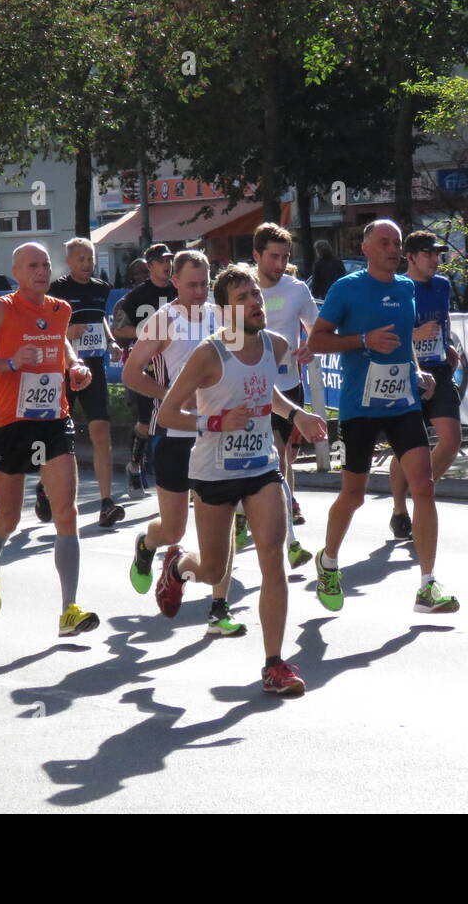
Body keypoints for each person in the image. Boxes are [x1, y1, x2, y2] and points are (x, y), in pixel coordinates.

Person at [153, 264, 328, 693]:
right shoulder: (209, 354)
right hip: (212, 471)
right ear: (223, 310)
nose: (255, 302)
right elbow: (169, 413)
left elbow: (265, 389)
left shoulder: (276, 343)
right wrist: (215, 422)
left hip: (261, 467)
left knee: (272, 555)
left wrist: (297, 413)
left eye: (256, 294)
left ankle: (274, 663)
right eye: (243, 298)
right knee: (213, 568)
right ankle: (177, 567)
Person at [307, 219, 460, 614]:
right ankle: (328, 560)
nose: (393, 248)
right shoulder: (347, 288)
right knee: (353, 495)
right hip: (360, 407)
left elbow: (404, 340)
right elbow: (317, 340)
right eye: (385, 242)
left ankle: (427, 584)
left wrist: (416, 371)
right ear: (367, 248)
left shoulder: (407, 287)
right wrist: (362, 340)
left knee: (424, 486)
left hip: (403, 403)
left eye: (396, 242)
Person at [0, 242, 100, 638]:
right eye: (32, 265)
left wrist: (76, 365)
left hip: (54, 418)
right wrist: (9, 363)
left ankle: (69, 609)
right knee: (10, 518)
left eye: (46, 264)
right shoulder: (2, 308)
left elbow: (62, 342)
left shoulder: (60, 309)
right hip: (11, 422)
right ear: (17, 272)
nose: (41, 271)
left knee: (66, 512)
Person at [124, 250, 248, 635]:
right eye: (191, 284)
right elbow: (131, 374)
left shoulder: (223, 316)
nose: (199, 291)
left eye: (204, 283)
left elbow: (243, 363)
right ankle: (147, 544)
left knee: (222, 517)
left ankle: (218, 607)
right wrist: (171, 395)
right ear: (174, 282)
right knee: (174, 531)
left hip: (217, 434)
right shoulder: (164, 321)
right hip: (175, 434)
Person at [240, 222, 318, 566]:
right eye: (273, 256)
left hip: (288, 384)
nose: (280, 263)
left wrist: (310, 348)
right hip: (249, 387)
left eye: (285, 257)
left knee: (283, 456)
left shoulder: (297, 289)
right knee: (275, 453)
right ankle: (287, 534)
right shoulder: (241, 290)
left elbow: (316, 330)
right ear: (256, 255)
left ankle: (256, 507)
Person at [388, 231, 463, 541]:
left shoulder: (442, 285)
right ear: (411, 257)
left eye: (437, 254)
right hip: (408, 374)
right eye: (428, 254)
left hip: (440, 370)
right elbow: (389, 335)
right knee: (408, 448)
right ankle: (399, 508)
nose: (435, 259)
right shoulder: (398, 290)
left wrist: (446, 348)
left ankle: (422, 488)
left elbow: (442, 321)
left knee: (452, 440)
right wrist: (414, 337)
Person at [46, 238, 124, 528]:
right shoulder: (58, 290)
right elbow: (45, 325)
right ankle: (45, 488)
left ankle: (106, 502)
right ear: (69, 261)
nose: (87, 264)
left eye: (90, 258)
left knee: (101, 430)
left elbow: (100, 318)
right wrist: (68, 330)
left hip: (93, 367)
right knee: (57, 433)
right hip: (63, 368)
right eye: (81, 259)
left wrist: (112, 341)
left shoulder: (101, 288)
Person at [114, 244, 176, 497]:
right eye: (161, 261)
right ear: (149, 266)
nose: (167, 265)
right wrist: (145, 333)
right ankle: (135, 466)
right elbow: (118, 329)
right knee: (145, 422)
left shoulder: (179, 291)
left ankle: (179, 476)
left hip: (176, 364)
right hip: (146, 368)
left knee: (178, 418)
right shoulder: (137, 296)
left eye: (170, 260)